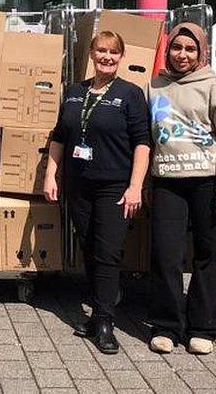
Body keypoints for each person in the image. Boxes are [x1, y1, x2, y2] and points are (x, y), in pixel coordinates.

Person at [43, 30, 152, 354]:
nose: (106, 57)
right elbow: (60, 136)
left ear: (121, 57)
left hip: (114, 187)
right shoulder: (75, 92)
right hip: (79, 185)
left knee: (107, 252)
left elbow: (142, 143)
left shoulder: (130, 94)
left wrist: (135, 187)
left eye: (113, 52)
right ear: (91, 54)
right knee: (89, 248)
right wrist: (51, 175)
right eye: (101, 51)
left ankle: (104, 321)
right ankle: (96, 314)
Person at [146, 22, 216, 355]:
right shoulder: (155, 86)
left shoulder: (213, 87)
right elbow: (146, 139)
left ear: (200, 52)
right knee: (166, 255)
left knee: (210, 255)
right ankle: (167, 325)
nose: (183, 55)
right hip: (167, 183)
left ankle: (202, 326)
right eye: (177, 47)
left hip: (208, 183)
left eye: (190, 49)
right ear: (169, 49)